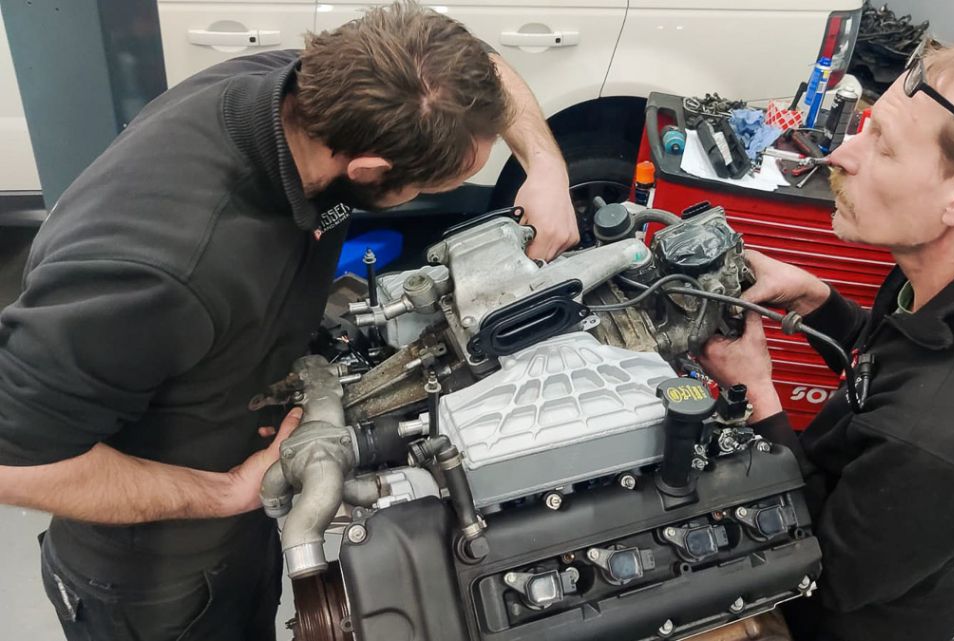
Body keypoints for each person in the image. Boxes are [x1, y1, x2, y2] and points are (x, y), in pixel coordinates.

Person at [0, 3, 576, 640]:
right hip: (159, 576)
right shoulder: (159, 270)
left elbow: (482, 66)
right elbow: (14, 461)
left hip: (244, 505)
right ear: (369, 172)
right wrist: (222, 494)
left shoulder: (315, 88)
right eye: (443, 183)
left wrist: (545, 166)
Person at [699, 39, 954, 641]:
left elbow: (822, 574)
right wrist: (820, 304)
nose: (843, 152)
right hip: (898, 524)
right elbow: (900, 366)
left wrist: (755, 396)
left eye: (884, 145)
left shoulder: (943, 438)